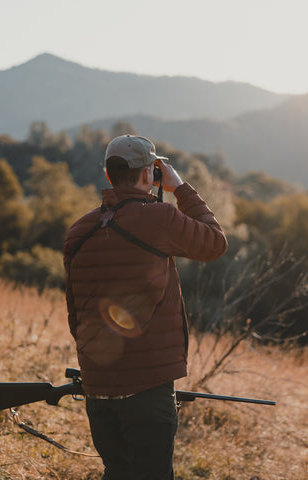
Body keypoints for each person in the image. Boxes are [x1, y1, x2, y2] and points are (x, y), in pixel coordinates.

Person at [63, 134, 228, 479]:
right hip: (148, 391)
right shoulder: (160, 218)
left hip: (98, 388)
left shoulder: (78, 232)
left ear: (108, 175)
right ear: (149, 175)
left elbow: (75, 315)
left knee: (117, 472)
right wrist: (180, 187)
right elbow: (214, 243)